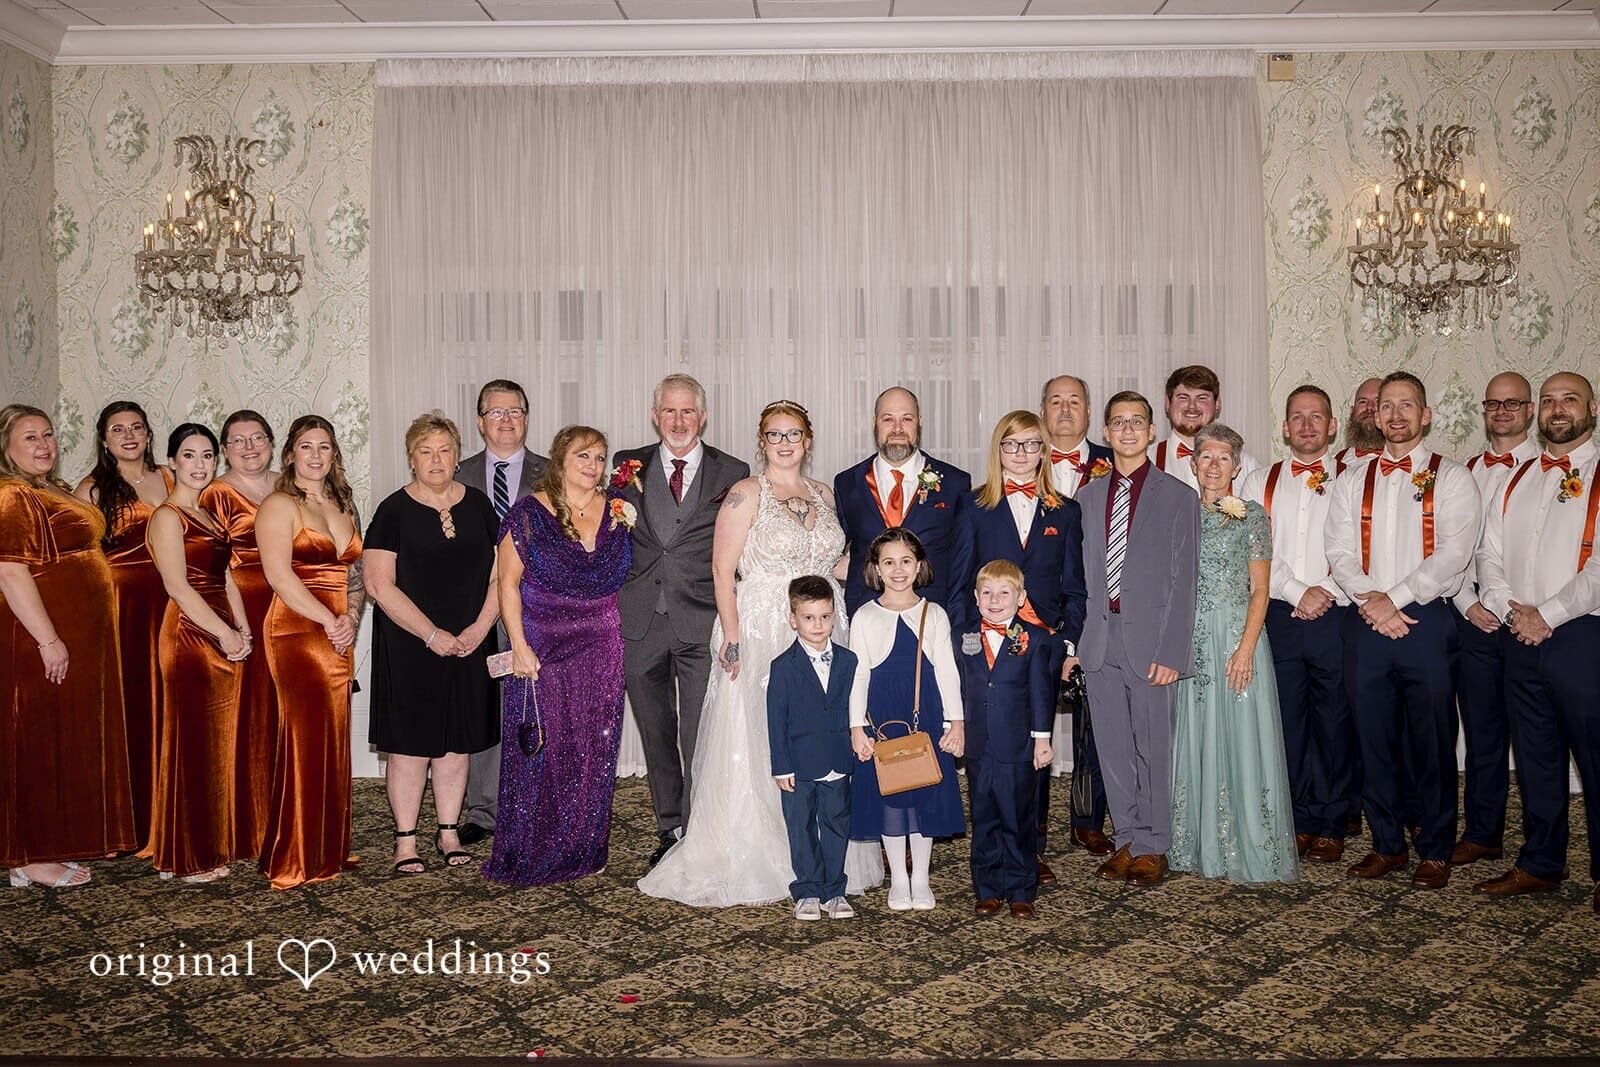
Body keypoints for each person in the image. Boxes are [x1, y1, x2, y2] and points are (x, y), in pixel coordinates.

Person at [641, 400, 867, 905]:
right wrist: (734, 636)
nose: (785, 443)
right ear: (761, 441)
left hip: (825, 622)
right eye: (774, 435)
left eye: (794, 434)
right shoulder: (745, 495)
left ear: (808, 440)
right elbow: (723, 571)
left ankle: (820, 847)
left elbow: (837, 562)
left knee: (822, 731)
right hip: (764, 623)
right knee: (765, 735)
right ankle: (765, 850)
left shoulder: (825, 494)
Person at [1324, 372, 1479, 890]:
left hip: (1427, 619)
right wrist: (1373, 601)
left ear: (1426, 414)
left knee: (1432, 738)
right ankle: (1386, 844)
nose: (1394, 415)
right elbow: (1339, 551)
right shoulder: (1351, 479)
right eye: (1386, 406)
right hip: (1365, 621)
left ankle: (1435, 848)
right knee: (1373, 738)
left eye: (1406, 405)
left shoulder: (1453, 477)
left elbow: (1454, 555)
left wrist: (1396, 599)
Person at [1472, 372, 1599, 914]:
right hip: (1517, 634)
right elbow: (1488, 558)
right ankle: (1541, 862)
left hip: (1583, 635)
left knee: (1595, 758)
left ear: (1592, 408)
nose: (1557, 409)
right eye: (1548, 401)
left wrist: (1546, 614)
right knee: (1535, 756)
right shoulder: (1515, 478)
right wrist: (1511, 611)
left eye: (1569, 400)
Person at [483, 426, 632, 886]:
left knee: (594, 748)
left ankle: (586, 847)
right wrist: (519, 646)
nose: (593, 465)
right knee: (544, 747)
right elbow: (507, 583)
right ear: (560, 460)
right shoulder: (529, 512)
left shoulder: (618, 510)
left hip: (602, 645)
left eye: (600, 457)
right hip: (543, 644)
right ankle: (532, 850)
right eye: (583, 455)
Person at [614, 375, 749, 867]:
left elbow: (740, 545)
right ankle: (670, 825)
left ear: (703, 417)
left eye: (687, 412)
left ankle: (697, 830)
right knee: (656, 731)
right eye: (669, 412)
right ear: (655, 415)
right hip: (640, 620)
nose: (677, 421)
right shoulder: (624, 467)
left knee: (699, 732)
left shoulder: (732, 470)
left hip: (702, 619)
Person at [0, 405, 135, 888]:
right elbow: (10, 570)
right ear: (6, 448)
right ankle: (31, 855)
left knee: (63, 739)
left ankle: (48, 843)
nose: (43, 444)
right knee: (37, 741)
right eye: (29, 438)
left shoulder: (48, 488)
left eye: (48, 434)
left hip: (76, 635)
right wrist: (49, 639)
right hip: (40, 636)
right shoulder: (12, 494)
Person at [364, 412, 501, 876]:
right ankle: (405, 840)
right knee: (411, 747)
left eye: (444, 450)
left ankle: (447, 831)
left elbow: (501, 576)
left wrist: (480, 630)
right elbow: (380, 586)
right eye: (426, 451)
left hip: (468, 642)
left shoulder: (481, 506)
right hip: (410, 646)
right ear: (411, 458)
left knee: (456, 745)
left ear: (458, 456)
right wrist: (431, 634)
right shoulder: (392, 511)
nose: (436, 459)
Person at [1076, 390, 1199, 888]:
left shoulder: (1177, 496)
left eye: (1137, 422)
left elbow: (1185, 581)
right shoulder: (1085, 499)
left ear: (1152, 432)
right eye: (1118, 423)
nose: (1127, 431)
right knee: (1113, 747)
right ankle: (1127, 836)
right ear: (1105, 433)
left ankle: (1154, 843)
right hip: (1100, 642)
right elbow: (1080, 578)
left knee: (1153, 746)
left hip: (1151, 646)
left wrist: (1174, 652)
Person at [1169, 424, 1298, 884]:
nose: (1214, 465)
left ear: (1237, 467)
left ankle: (1248, 842)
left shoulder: (1253, 517)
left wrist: (1245, 649)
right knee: (1197, 732)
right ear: (1193, 463)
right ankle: (1200, 843)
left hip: (1238, 637)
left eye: (1223, 458)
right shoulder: (1179, 515)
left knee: (1243, 735)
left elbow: (1261, 590)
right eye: (1206, 457)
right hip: (1192, 641)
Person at [962, 409, 1086, 887]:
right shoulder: (975, 507)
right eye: (1011, 445)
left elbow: (1075, 588)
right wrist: (966, 644)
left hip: (1043, 648)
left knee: (1037, 746)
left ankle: (1031, 849)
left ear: (1043, 451)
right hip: (989, 647)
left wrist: (1065, 643)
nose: (1021, 454)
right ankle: (991, 853)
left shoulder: (1066, 510)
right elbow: (959, 587)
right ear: (999, 451)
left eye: (1031, 445)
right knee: (992, 749)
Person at [1238, 386, 1358, 862]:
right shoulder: (1257, 482)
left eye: (1317, 417)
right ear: (1284, 427)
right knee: (1287, 719)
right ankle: (1297, 818)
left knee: (1334, 719)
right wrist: (1295, 591)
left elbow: (1358, 548)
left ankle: (1332, 822)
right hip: (1280, 613)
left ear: (1332, 426)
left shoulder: (1356, 478)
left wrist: (1325, 590)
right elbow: (1257, 549)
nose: (1307, 425)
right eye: (1297, 417)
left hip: (1339, 611)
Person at [256, 416, 365, 890]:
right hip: (297, 630)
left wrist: (352, 620)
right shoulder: (278, 504)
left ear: (334, 454)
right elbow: (279, 576)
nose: (316, 455)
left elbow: (356, 577)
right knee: (303, 739)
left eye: (324, 446)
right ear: (290, 455)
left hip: (340, 630)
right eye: (306, 446)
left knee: (332, 737)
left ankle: (326, 849)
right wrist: (328, 620)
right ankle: (293, 855)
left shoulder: (343, 502)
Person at [146, 423, 250, 884]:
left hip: (220, 627)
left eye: (207, 455)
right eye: (189, 455)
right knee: (192, 743)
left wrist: (242, 627)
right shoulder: (167, 516)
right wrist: (223, 632)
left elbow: (225, 576)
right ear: (171, 461)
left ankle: (192, 845)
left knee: (213, 744)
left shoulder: (209, 513)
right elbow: (177, 586)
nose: (200, 464)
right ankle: (189, 856)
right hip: (189, 634)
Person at [848, 528, 966, 911]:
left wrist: (956, 722)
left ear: (919, 566)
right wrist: (856, 726)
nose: (898, 570)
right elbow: (858, 673)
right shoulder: (864, 616)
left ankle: (921, 878)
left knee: (924, 792)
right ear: (876, 570)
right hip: (882, 715)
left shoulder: (935, 614)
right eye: (888, 562)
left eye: (906, 561)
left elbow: (948, 671)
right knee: (891, 795)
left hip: (926, 715)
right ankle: (898, 878)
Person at [1450, 371, 1540, 869]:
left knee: (1534, 737)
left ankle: (1542, 844)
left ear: (1529, 411)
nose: (1502, 412)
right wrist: (1467, 603)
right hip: (1476, 617)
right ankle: (1483, 832)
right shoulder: (1464, 472)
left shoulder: (1550, 470)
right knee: (1482, 731)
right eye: (1493, 404)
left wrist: (1520, 610)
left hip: (1533, 621)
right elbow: (1456, 548)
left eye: (1512, 404)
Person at [74, 400, 173, 848]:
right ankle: (129, 818)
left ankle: (170, 807)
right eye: (118, 429)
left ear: (149, 434)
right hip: (124, 604)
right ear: (104, 439)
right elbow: (79, 561)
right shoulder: (93, 490)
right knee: (133, 702)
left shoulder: (170, 476)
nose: (129, 435)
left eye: (137, 427)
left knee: (173, 699)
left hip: (175, 598)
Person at [456, 379, 548, 847]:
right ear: (480, 422)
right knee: (484, 708)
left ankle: (537, 803)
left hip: (539, 612)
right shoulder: (454, 472)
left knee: (538, 708)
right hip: (473, 612)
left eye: (514, 411)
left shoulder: (554, 474)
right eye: (495, 412)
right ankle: (484, 810)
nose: (506, 420)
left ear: (527, 418)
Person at [199, 410, 281, 857]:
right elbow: (208, 567)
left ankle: (282, 815)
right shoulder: (214, 494)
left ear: (271, 441)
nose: (249, 448)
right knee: (245, 714)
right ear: (225, 450)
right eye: (237, 441)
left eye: (257, 438)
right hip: (240, 607)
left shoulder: (288, 485)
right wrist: (230, 624)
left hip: (290, 606)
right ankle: (245, 823)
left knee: (280, 711)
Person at [954, 561, 1056, 918]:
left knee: (1017, 817)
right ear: (976, 597)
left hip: (1017, 745)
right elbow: (959, 688)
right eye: (987, 593)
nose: (995, 600)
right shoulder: (964, 636)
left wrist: (1041, 739)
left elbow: (1042, 693)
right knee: (983, 818)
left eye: (1004, 593)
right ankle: (988, 888)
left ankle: (1020, 888)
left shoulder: (1035, 639)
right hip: (980, 744)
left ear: (1021, 598)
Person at [1041, 374, 1114, 856]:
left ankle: (1087, 820)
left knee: (1097, 720)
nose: (1065, 410)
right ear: (1042, 411)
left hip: (1103, 611)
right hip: (1041, 615)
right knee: (1034, 722)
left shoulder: (1115, 466)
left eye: (1075, 402)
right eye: (1056, 402)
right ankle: (1034, 832)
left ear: (1089, 414)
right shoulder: (1020, 458)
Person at [835, 387, 974, 622]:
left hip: (931, 614)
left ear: (919, 422)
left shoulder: (955, 483)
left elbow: (964, 560)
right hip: (865, 614)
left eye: (906, 419)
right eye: (888, 419)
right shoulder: (847, 483)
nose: (897, 428)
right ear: (874, 423)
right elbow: (836, 548)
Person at [767, 575, 860, 921]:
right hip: (797, 764)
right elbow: (776, 720)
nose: (818, 625)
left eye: (825, 616)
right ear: (793, 619)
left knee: (837, 825)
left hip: (837, 757)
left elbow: (855, 708)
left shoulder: (850, 661)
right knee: (801, 826)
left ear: (834, 615)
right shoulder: (782, 667)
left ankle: (834, 890)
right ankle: (806, 889)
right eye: (808, 617)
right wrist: (781, 766)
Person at [1152, 365, 1260, 492]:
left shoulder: (1247, 465)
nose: (1192, 406)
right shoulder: (1148, 461)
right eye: (1183, 397)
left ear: (1217, 404)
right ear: (1167, 404)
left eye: (1202, 398)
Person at [1334, 376, 1384, 475]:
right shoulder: (1337, 463)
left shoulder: (1406, 462)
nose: (1369, 407)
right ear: (1352, 411)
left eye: (1378, 401)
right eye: (1362, 402)